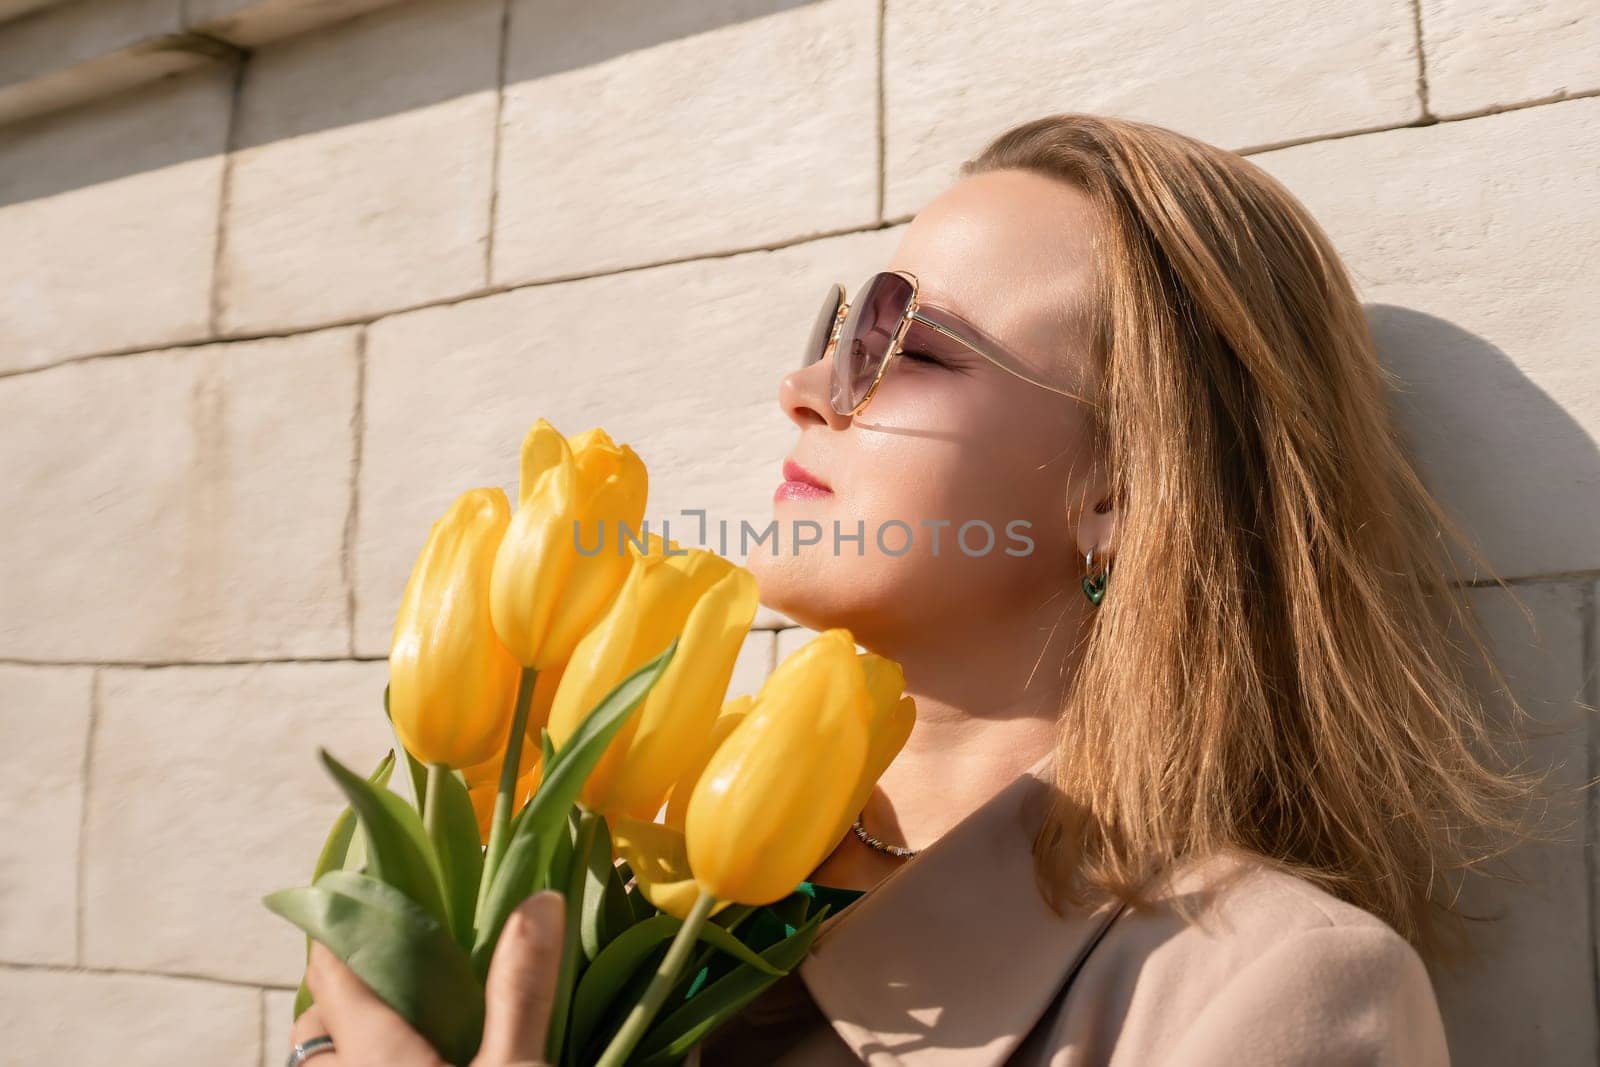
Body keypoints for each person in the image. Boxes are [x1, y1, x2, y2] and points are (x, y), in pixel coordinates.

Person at [286, 112, 1561, 1066]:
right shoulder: (596, 851)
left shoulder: (1271, 991)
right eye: (844, 326)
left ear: (1120, 490)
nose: (809, 386)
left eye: (912, 343)